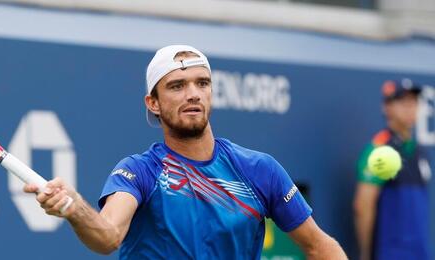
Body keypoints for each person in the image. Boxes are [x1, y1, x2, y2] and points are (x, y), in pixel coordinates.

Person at [24, 45, 347, 259]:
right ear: (153, 103)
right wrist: (74, 208)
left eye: (202, 83)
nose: (193, 94)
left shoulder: (259, 169)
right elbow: (108, 237)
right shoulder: (139, 172)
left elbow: (320, 246)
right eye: (177, 86)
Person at [353, 79, 431, 260]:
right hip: (390, 253)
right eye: (403, 102)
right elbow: (362, 207)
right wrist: (366, 254)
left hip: (421, 253)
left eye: (414, 102)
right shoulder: (378, 149)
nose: (410, 107)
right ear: (387, 108)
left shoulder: (420, 152)